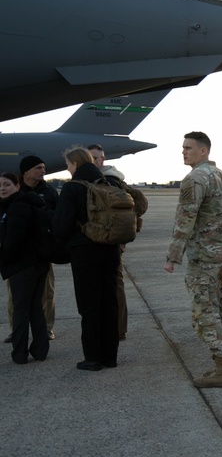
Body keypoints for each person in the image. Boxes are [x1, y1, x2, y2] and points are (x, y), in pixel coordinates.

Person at [163, 133, 222, 385]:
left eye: (188, 148)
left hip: (204, 257)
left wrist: (173, 255)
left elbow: (185, 219)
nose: (183, 152)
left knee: (204, 313)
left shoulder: (194, 178)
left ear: (203, 151)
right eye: (182, 148)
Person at [54, 147, 121, 371]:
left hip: (85, 253)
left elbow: (61, 226)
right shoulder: (110, 184)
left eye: (68, 164)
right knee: (109, 303)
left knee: (89, 306)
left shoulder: (73, 187)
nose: (67, 168)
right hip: (111, 250)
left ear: (75, 164)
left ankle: (92, 358)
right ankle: (110, 357)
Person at [6, 156, 57, 344]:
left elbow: (58, 217)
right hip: (18, 253)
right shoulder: (14, 190)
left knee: (47, 292)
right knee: (15, 294)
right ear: (26, 171)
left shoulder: (49, 191)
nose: (43, 171)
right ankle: (16, 330)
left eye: (43, 167)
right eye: (38, 168)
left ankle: (48, 328)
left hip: (43, 251)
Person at [1, 173, 49, 364]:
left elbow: (14, 239)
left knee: (21, 309)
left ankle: (20, 353)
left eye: (6, 184)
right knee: (35, 307)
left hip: (24, 265)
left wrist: (4, 259)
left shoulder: (17, 206)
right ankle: (40, 350)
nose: (2, 188)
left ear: (17, 186)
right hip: (37, 263)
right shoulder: (25, 203)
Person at [88, 144, 131, 341]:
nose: (95, 161)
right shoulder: (99, 180)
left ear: (103, 159)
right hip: (102, 239)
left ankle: (118, 329)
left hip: (111, 240)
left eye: (97, 157)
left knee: (115, 283)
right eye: (90, 157)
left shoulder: (110, 181)